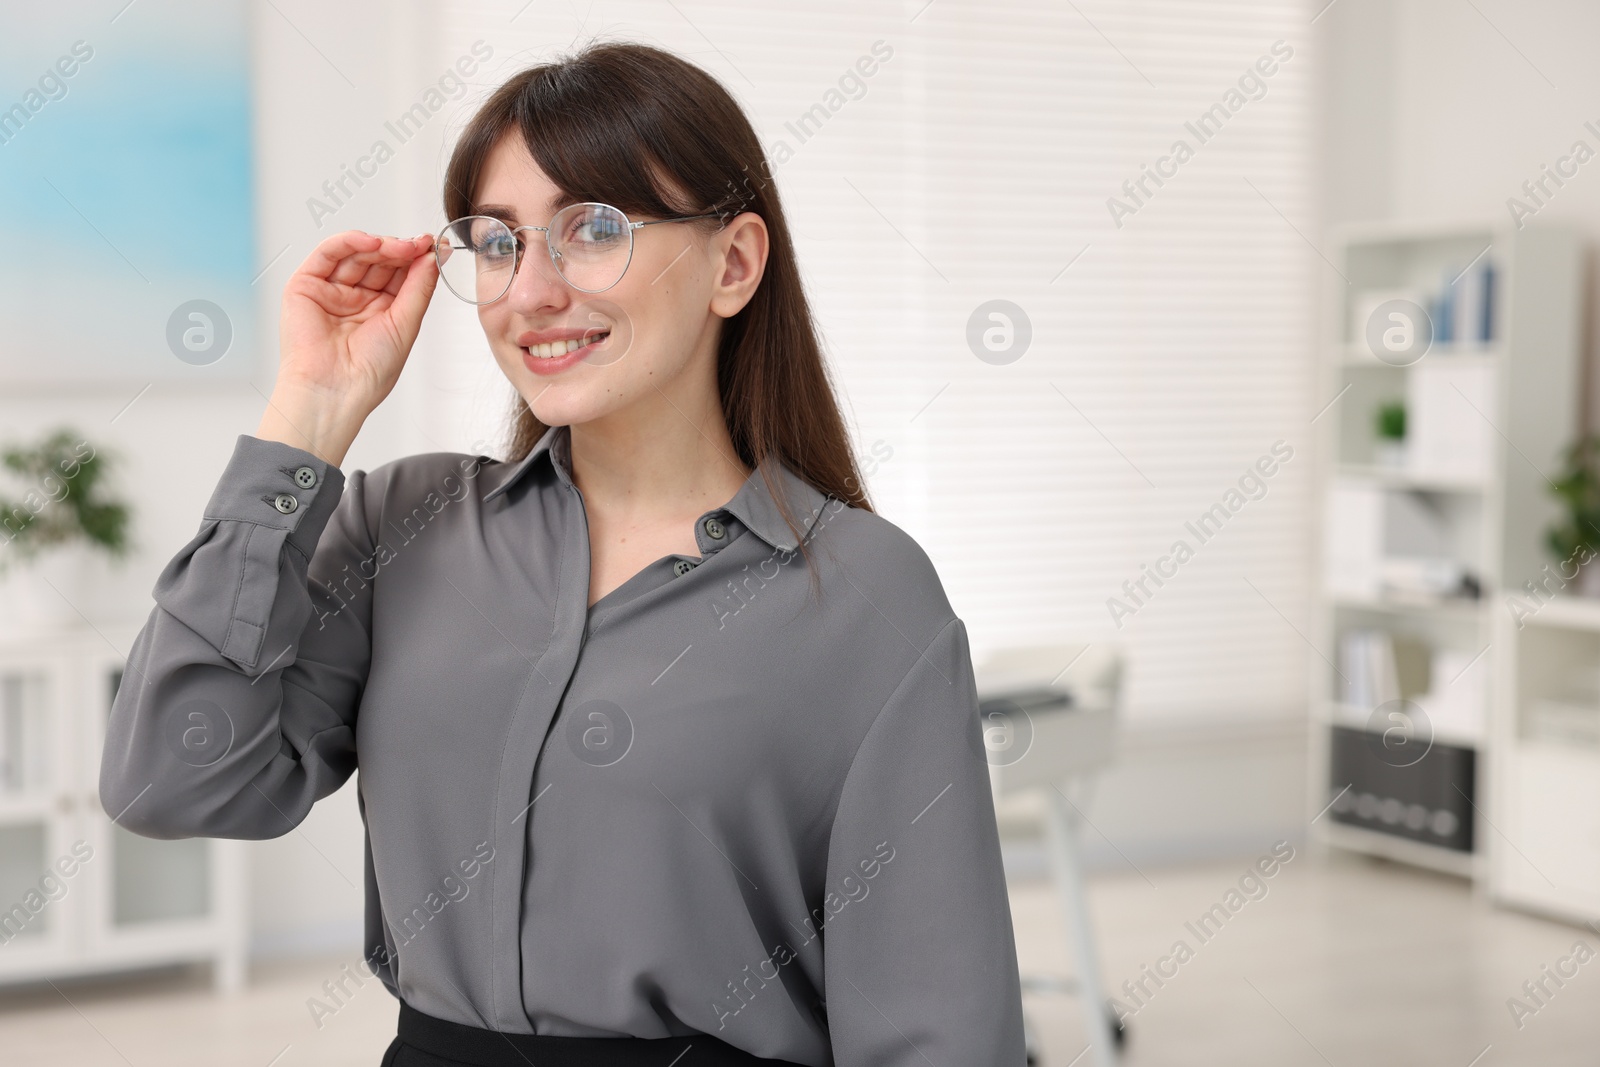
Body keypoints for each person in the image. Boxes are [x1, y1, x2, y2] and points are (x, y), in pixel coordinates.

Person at [99, 40, 1025, 1067]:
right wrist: (308, 416)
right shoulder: (402, 525)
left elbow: (938, 1025)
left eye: (592, 228)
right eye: (497, 243)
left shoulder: (865, 596)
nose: (529, 290)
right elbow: (169, 782)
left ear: (734, 263)